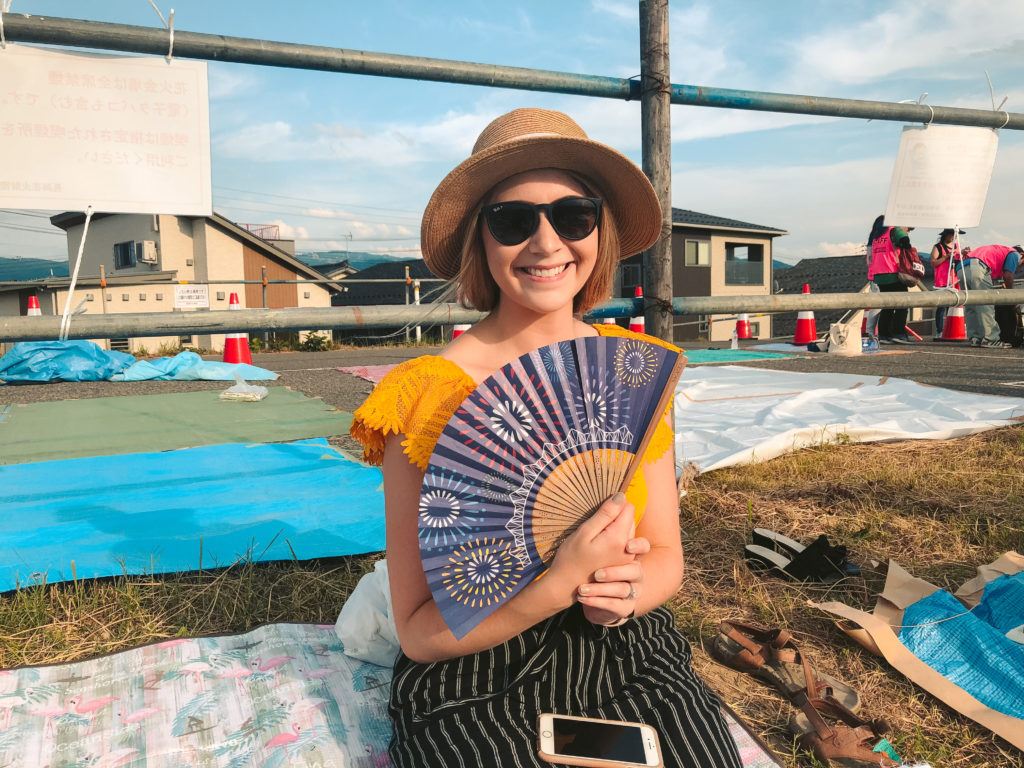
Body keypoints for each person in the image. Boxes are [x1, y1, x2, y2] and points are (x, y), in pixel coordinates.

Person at [350, 108, 743, 768]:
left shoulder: (634, 370)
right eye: (512, 220)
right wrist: (555, 587)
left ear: (599, 230)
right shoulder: (422, 395)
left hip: (625, 652)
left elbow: (667, 556)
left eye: (572, 215)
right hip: (475, 666)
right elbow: (418, 631)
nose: (545, 241)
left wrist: (621, 598)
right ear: (481, 239)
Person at [955, 243, 1021, 348]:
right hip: (978, 267)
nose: (1018, 267)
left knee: (971, 305)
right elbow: (1008, 276)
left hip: (961, 268)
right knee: (986, 305)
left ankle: (975, 338)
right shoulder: (1014, 254)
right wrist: (1012, 297)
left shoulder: (998, 250)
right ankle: (991, 339)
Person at [867, 218, 914, 343]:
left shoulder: (876, 236)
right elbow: (905, 242)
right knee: (903, 304)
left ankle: (884, 335)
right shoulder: (894, 229)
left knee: (887, 305)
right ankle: (898, 333)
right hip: (892, 272)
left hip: (879, 275)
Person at [929, 228, 965, 339]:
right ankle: (939, 331)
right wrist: (945, 257)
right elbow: (933, 263)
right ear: (946, 235)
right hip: (942, 281)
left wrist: (963, 254)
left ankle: (951, 330)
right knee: (941, 308)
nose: (954, 237)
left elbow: (959, 259)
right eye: (952, 235)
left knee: (954, 306)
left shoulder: (956, 246)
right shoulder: (938, 247)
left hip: (954, 280)